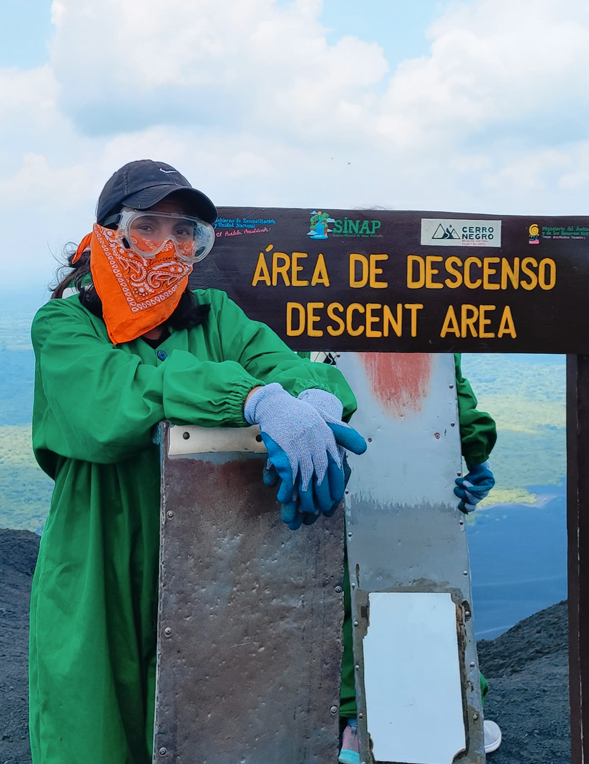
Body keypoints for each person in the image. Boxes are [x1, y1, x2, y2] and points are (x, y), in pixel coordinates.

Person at [27, 159, 365, 764]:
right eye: (148, 225)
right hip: (101, 539)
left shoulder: (215, 315)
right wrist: (250, 398)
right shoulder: (64, 324)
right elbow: (108, 405)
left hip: (213, 542)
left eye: (187, 232)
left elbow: (289, 365)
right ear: (110, 235)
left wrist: (314, 398)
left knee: (208, 705)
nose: (169, 245)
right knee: (93, 717)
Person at [337, 354, 500, 763]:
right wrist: (476, 456)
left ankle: (354, 720)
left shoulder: (315, 305)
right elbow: (449, 385)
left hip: (338, 457)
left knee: (348, 581)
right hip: (415, 454)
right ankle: (448, 712)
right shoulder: (428, 303)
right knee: (420, 575)